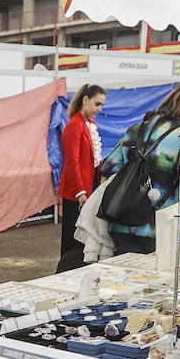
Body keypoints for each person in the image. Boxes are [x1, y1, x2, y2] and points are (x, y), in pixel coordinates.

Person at [100, 83, 180, 256]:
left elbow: (108, 167)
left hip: (123, 219)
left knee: (125, 278)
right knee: (157, 281)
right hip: (160, 225)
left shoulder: (136, 129)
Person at [56, 84, 106, 272]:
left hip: (89, 189)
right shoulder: (74, 125)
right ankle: (65, 271)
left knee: (85, 235)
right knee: (72, 235)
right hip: (77, 192)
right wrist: (80, 192)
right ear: (85, 100)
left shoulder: (91, 125)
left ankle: (78, 270)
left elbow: (94, 161)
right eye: (97, 104)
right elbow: (72, 162)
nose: (99, 109)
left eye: (102, 105)